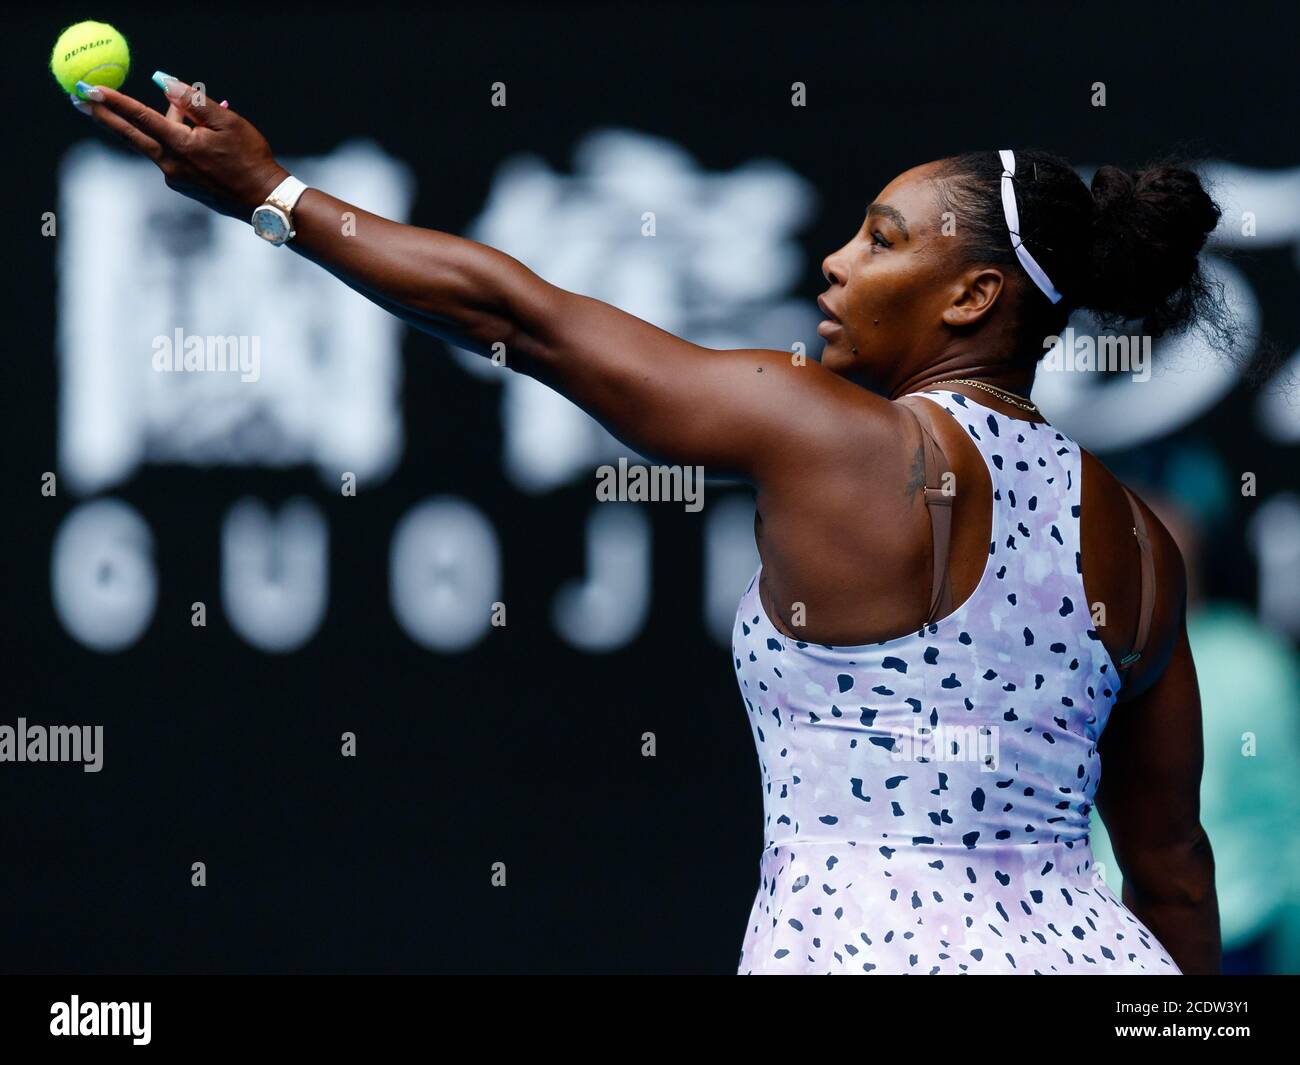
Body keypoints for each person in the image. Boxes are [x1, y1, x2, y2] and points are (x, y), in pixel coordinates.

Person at [75, 72, 1224, 974]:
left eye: (880, 239)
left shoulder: (834, 435)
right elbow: (1170, 870)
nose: (832, 260)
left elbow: (523, 323)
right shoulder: (1137, 542)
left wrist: (271, 195)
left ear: (973, 296)